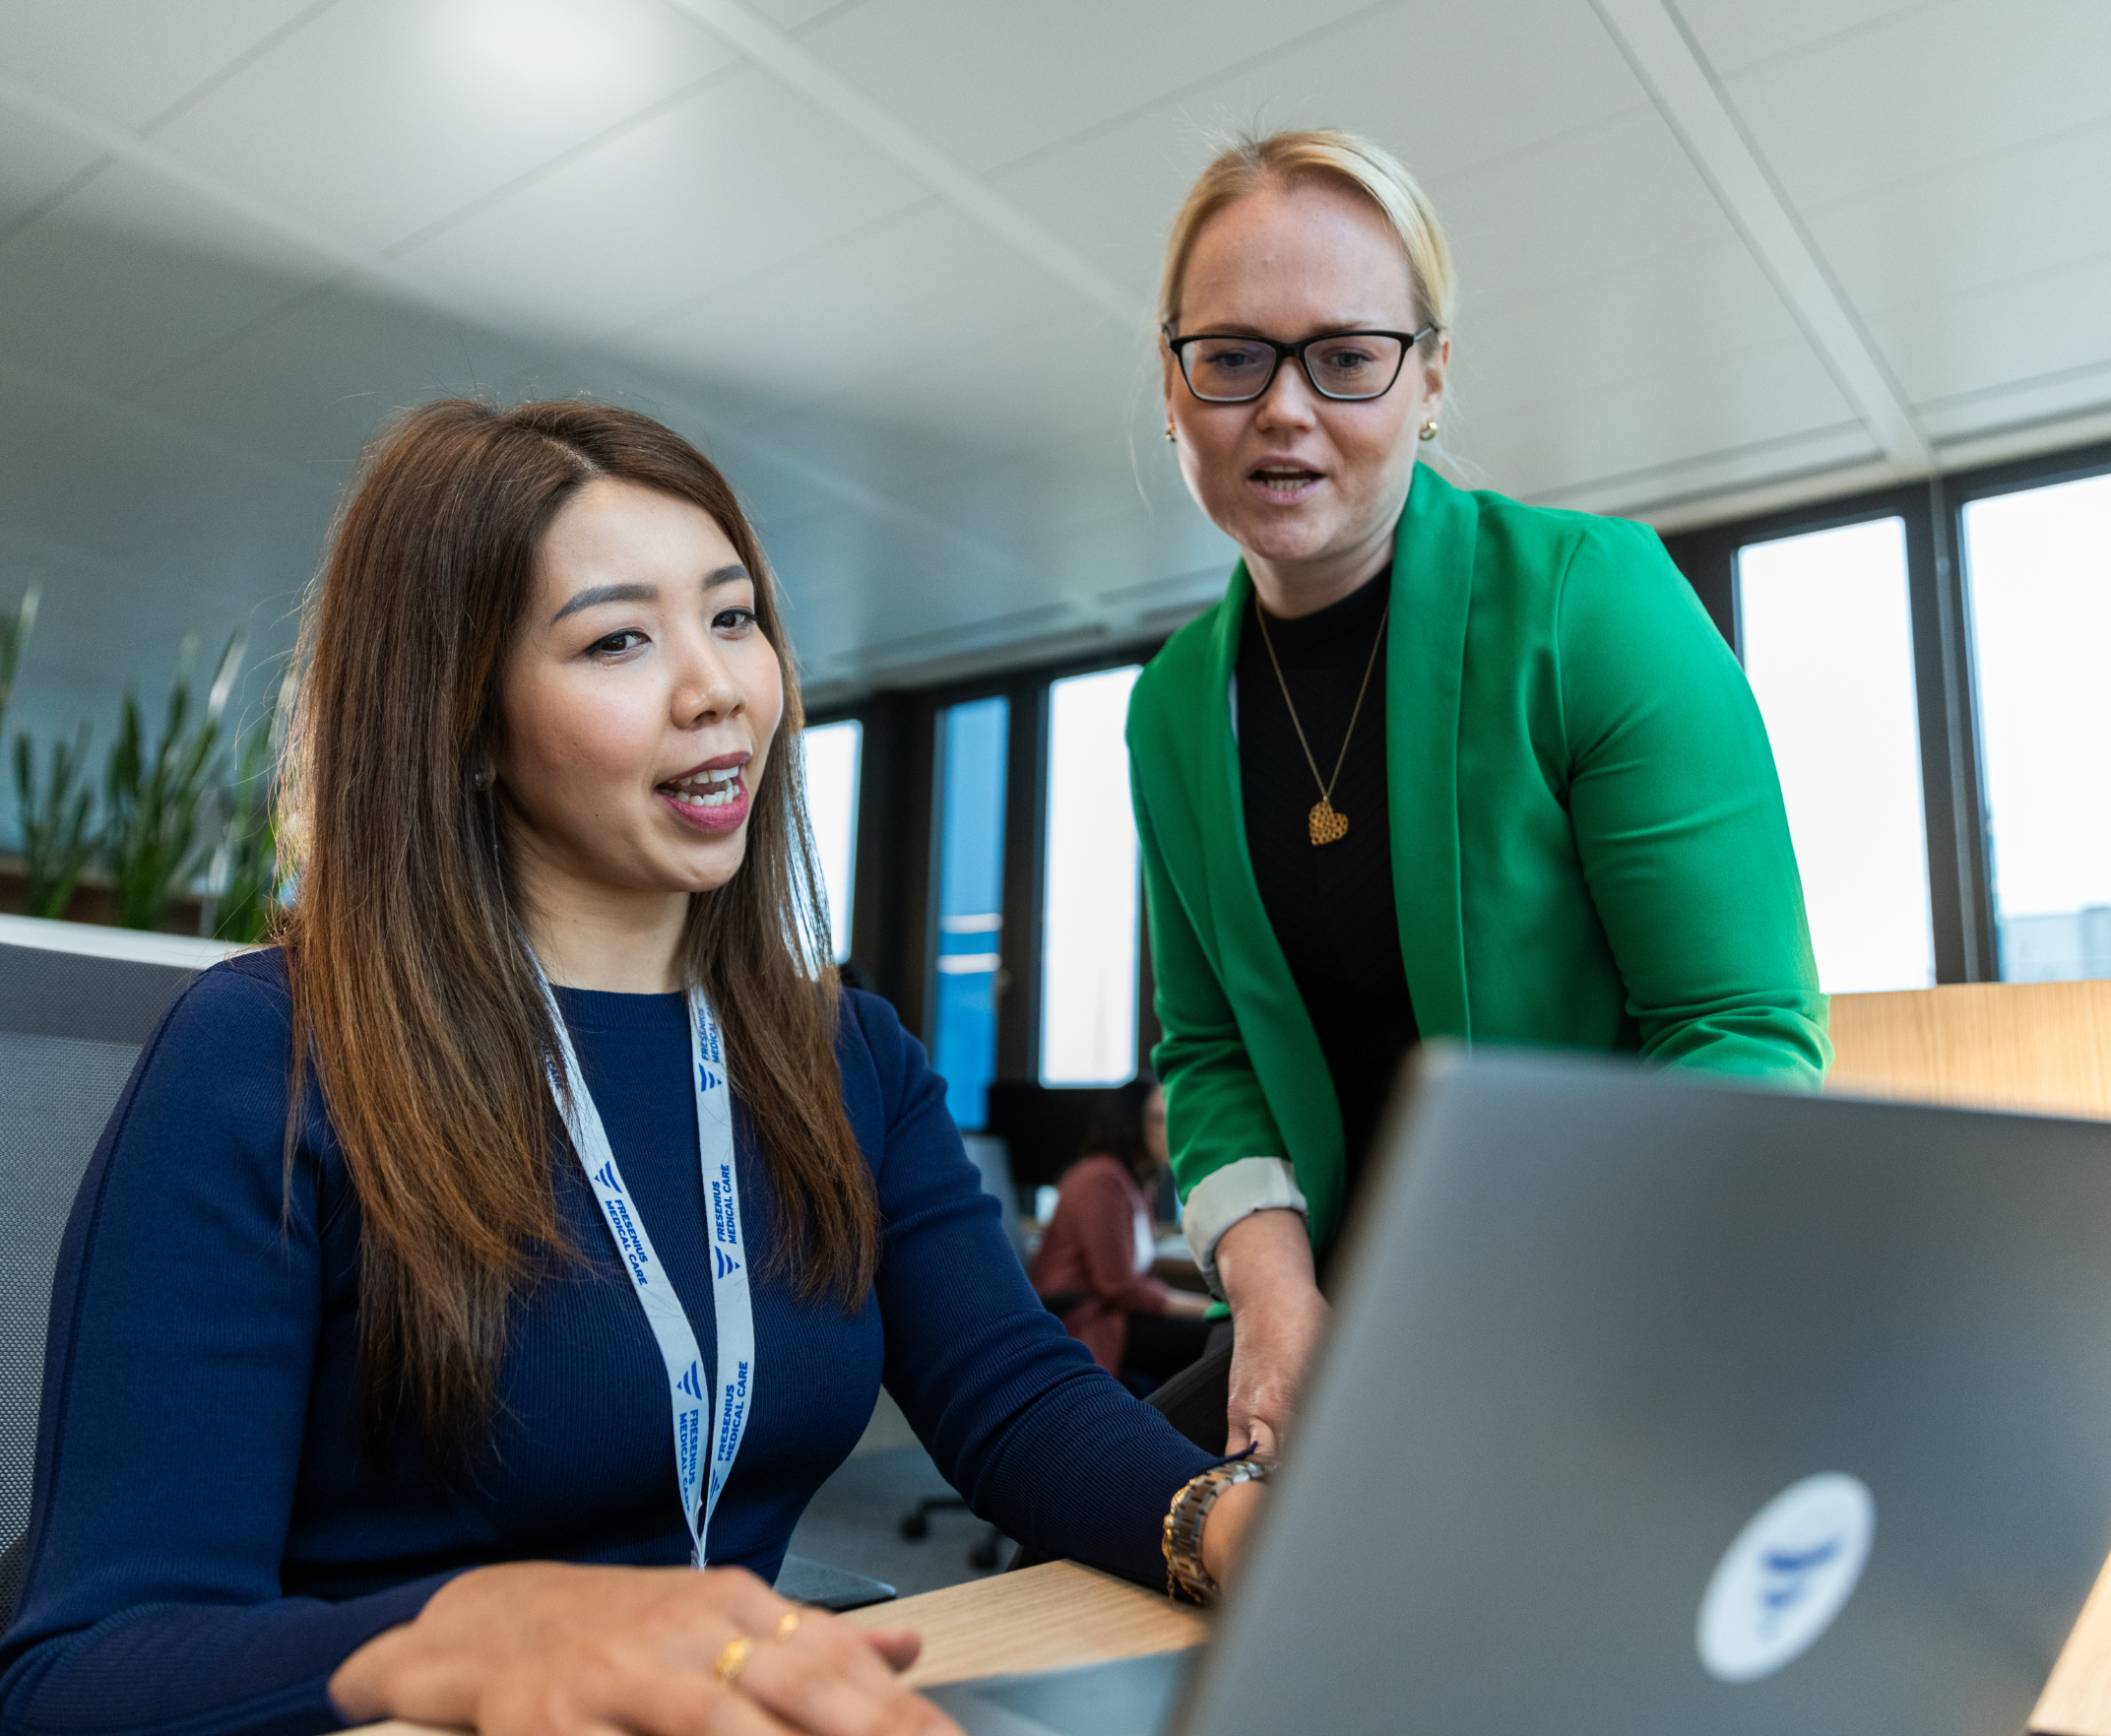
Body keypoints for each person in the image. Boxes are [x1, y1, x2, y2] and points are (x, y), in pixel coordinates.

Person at [0, 402, 1263, 1736]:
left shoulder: (844, 1052)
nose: (716, 684)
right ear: (467, 720)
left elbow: (1018, 1402)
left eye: (732, 617)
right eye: (617, 638)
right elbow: (84, 1664)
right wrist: (453, 1633)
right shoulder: (273, 1051)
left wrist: (1229, 1522)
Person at [1126, 131, 1830, 1461]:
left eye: (1346, 357)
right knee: (1094, 1563)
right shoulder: (1170, 706)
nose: (1284, 408)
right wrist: (1273, 1300)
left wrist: (1536, 1316)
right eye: (1233, 356)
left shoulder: (1592, 602)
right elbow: (1210, 1054)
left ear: (1430, 377)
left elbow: (1738, 1029)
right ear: (1175, 386)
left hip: (1618, 1300)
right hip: (1342, 1322)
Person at [1029, 1073, 1212, 1387]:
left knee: (1218, 1333)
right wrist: (1203, 1307)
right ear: (1131, 1124)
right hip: (1085, 1321)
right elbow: (1117, 1287)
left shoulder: (1136, 1186)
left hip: (1114, 1314)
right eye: (1158, 1120)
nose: (1171, 1131)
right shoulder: (1100, 1179)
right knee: (1215, 1339)